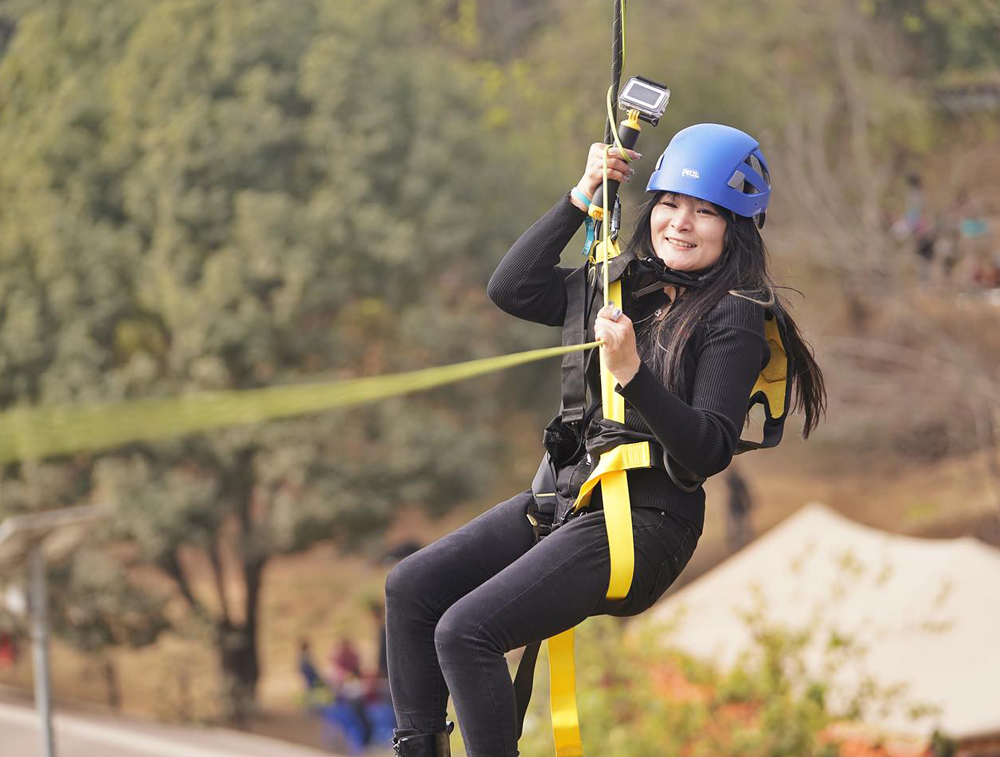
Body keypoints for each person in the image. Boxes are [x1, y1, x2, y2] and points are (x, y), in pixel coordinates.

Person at [384, 123, 826, 757]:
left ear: (736, 229)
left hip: (646, 522)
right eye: (670, 203)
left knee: (466, 631)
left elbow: (707, 450)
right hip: (569, 499)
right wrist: (581, 195)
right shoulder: (623, 286)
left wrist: (633, 376)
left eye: (705, 213)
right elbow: (512, 288)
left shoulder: (733, 315)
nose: (680, 222)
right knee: (413, 588)